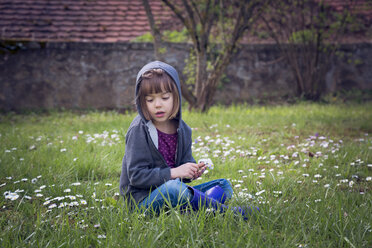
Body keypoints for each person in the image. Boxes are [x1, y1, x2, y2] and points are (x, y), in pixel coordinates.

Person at [119, 61, 257, 218]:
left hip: (175, 190)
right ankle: (228, 214)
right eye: (150, 100)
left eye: (164, 97)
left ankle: (191, 210)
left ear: (176, 96)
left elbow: (183, 170)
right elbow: (136, 176)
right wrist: (174, 172)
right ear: (142, 102)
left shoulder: (183, 129)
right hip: (142, 201)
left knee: (222, 185)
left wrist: (191, 171)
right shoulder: (139, 130)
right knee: (173, 188)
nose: (158, 105)